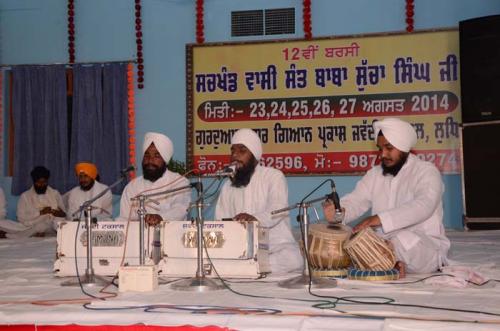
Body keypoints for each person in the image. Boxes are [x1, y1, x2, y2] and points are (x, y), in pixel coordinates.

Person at [323, 117, 450, 278]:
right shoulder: (375, 174)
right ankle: (390, 264)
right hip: (382, 244)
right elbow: (356, 200)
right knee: (349, 240)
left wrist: (378, 219)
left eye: (389, 148)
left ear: (403, 147)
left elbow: (424, 205)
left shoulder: (426, 172)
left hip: (424, 249)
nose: (383, 154)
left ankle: (387, 261)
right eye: (380, 148)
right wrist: (338, 211)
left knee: (400, 239)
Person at [215, 128, 303, 275]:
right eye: (233, 151)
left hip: (274, 247)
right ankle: (249, 268)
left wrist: (255, 218)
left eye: (242, 151)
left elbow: (278, 209)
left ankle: (247, 269)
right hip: (240, 251)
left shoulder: (273, 176)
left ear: (254, 155)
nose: (235, 156)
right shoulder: (227, 186)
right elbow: (220, 222)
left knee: (293, 259)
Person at [119, 132, 191, 224]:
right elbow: (124, 219)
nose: (150, 160)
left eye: (157, 156)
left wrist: (161, 217)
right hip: (137, 237)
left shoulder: (179, 182)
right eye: (147, 155)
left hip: (171, 236)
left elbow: (180, 209)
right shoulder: (132, 187)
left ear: (165, 159)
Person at [0, 166, 67, 238]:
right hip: (28, 226)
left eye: (44, 182)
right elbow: (20, 217)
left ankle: (8, 235)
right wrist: (40, 212)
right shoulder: (25, 196)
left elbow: (64, 214)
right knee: (2, 223)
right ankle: (34, 233)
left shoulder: (55, 194)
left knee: (48, 225)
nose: (41, 185)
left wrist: (57, 213)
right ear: (34, 182)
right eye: (39, 182)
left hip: (49, 226)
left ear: (47, 181)